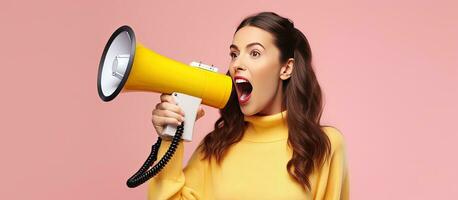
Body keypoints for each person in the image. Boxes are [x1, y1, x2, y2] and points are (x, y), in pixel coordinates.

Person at [148, 12, 349, 200]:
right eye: (234, 54)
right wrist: (170, 137)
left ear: (286, 68)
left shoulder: (322, 145)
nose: (236, 65)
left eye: (254, 53)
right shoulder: (216, 145)